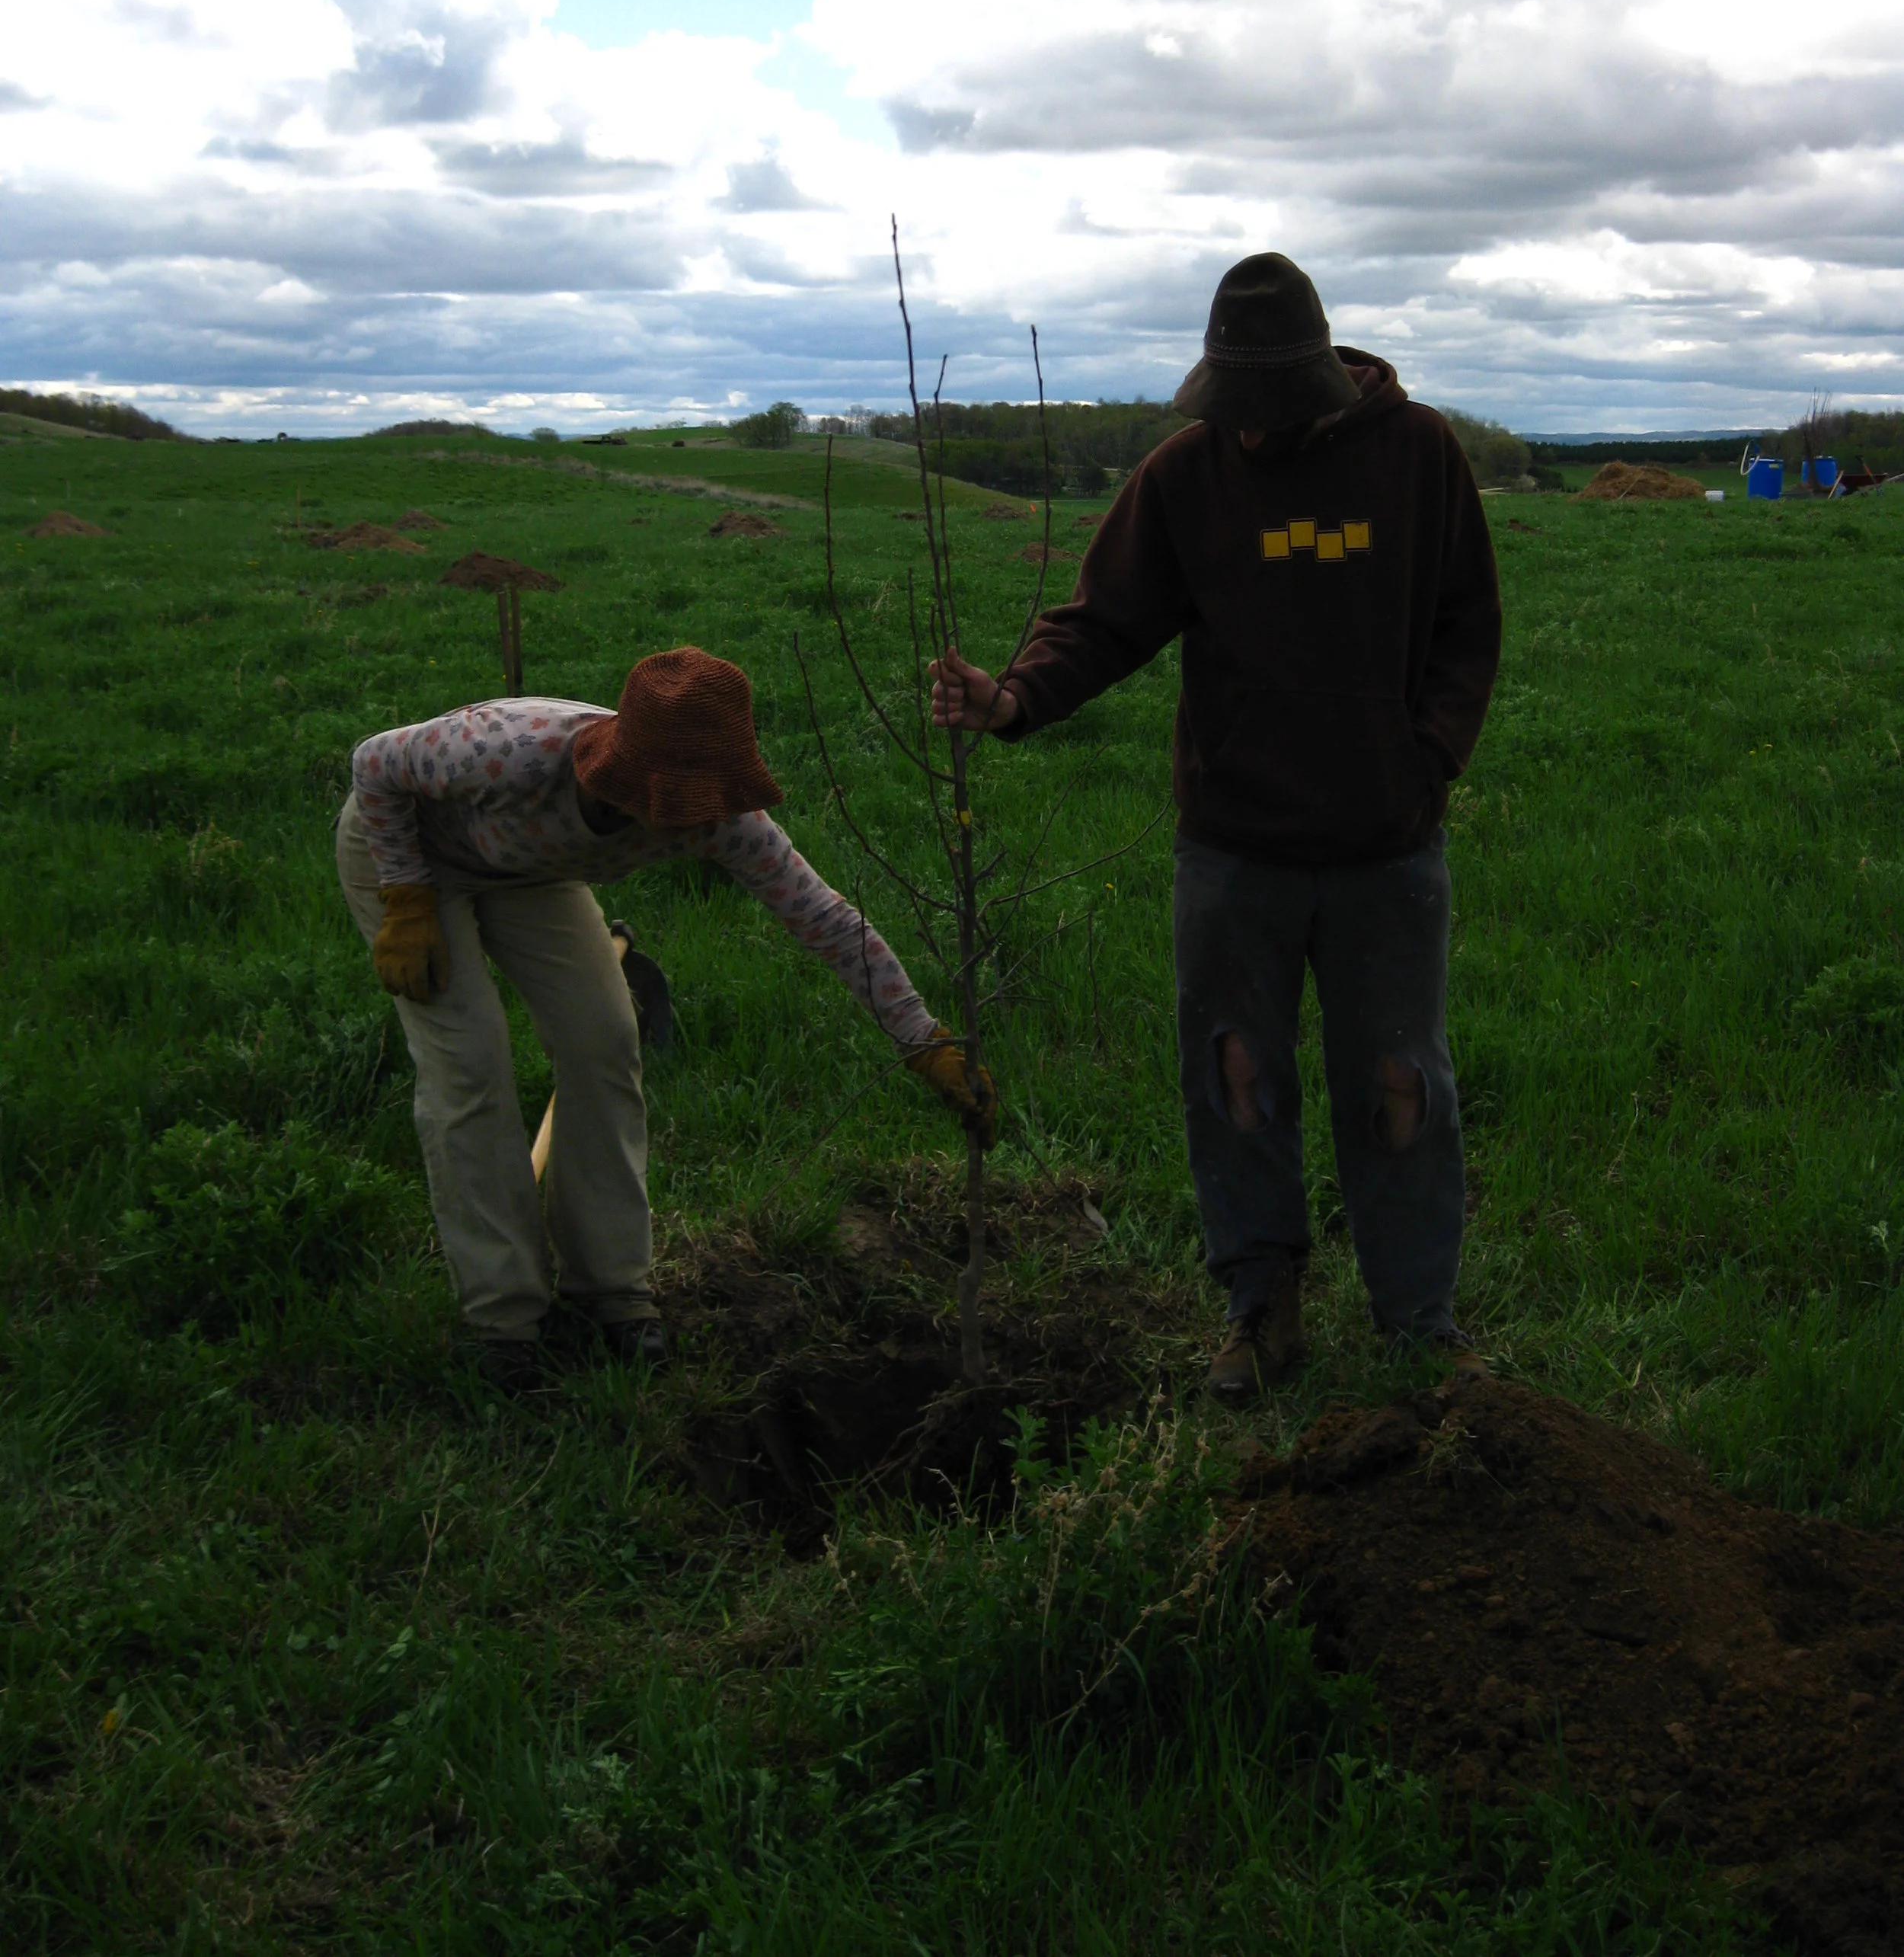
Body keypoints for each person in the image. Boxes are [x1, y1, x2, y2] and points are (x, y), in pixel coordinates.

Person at [931, 254, 1500, 1400]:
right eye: (1227, 404)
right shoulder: (1186, 474)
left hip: (1387, 850)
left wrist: (1422, 761)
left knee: (1402, 1083)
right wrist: (1016, 698)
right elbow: (1104, 620)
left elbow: (1466, 622)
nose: (1243, 428)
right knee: (1236, 1077)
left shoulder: (1417, 455)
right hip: (1235, 849)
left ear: (1317, 383)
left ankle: (1418, 1326)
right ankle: (1260, 1303)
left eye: (1261, 406)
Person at [337, 645, 995, 1392]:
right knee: (470, 1065)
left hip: (532, 871)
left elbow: (828, 921)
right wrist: (406, 896)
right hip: (413, 853)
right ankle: (504, 1317)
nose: (692, 823)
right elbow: (374, 762)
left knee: (605, 1040)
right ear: (626, 776)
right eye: (674, 801)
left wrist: (925, 1043)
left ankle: (610, 1288)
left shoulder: (719, 815)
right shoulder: (508, 752)